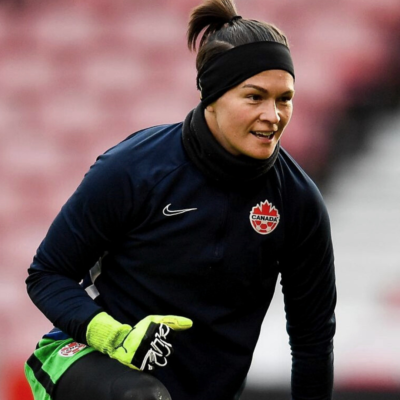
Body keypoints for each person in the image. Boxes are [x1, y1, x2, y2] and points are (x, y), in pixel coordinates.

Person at [24, 0, 337, 399]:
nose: (273, 115)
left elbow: (313, 339)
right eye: (254, 97)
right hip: (84, 360)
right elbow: (47, 274)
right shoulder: (134, 168)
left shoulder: (298, 203)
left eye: (284, 98)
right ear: (212, 95)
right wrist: (113, 335)